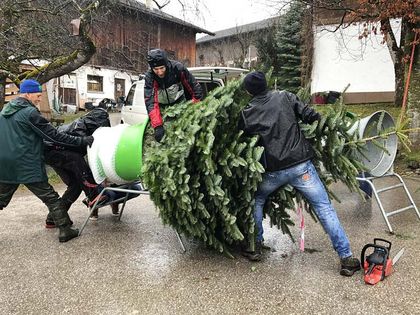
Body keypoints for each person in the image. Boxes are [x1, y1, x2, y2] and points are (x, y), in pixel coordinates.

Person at [239, 71, 360, 276]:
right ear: (266, 84)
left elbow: (243, 139)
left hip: (272, 171)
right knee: (324, 208)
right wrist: (324, 124)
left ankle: (255, 246)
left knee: (257, 199)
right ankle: (346, 258)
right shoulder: (285, 96)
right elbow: (311, 115)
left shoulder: (247, 112)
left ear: (249, 91)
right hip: (300, 166)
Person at [0, 79, 94, 242]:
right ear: (28, 94)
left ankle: (64, 227)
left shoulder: (4, 112)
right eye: (37, 95)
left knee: (1, 199)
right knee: (51, 197)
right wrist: (81, 141)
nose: (39, 99)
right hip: (26, 163)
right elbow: (54, 136)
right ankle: (65, 230)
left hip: (5, 163)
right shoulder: (30, 113)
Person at [44, 102, 111, 225]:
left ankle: (53, 218)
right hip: (53, 151)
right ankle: (93, 195)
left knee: (75, 186)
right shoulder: (80, 128)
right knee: (76, 159)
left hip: (56, 154)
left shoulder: (85, 126)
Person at [144, 48, 203, 142]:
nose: (159, 72)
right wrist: (158, 126)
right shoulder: (150, 77)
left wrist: (195, 108)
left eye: (162, 68)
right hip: (162, 108)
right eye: (156, 69)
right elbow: (150, 101)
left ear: (166, 64)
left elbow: (194, 87)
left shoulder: (177, 68)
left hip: (180, 103)